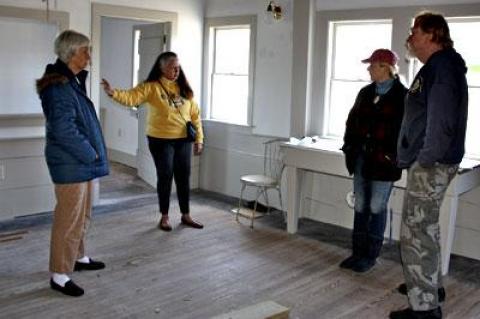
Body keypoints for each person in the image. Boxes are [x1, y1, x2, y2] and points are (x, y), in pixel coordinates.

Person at [389, 11, 468, 319]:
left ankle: (424, 309)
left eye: (415, 31)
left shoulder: (443, 68)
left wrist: (425, 158)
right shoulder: (437, 67)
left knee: (415, 231)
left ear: (432, 34)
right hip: (430, 161)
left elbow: (441, 120)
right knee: (426, 229)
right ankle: (428, 288)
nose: (411, 37)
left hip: (431, 163)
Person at [36, 30, 109, 297]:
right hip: (71, 163)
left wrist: (90, 156)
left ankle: (77, 257)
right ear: (71, 54)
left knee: (83, 214)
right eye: (85, 51)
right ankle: (59, 273)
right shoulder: (58, 87)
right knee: (68, 220)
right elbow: (64, 130)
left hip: (81, 163)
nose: (89, 56)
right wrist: (91, 153)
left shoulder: (72, 81)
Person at [101, 51, 204, 232]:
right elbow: (131, 97)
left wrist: (199, 139)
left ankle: (185, 214)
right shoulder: (151, 87)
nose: (177, 71)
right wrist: (113, 93)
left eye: (178, 67)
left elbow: (195, 116)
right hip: (161, 140)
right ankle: (164, 217)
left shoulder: (184, 88)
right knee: (165, 176)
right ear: (162, 67)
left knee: (183, 178)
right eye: (173, 67)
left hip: (183, 141)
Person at [340, 49, 407, 273]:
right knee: (360, 206)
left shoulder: (402, 96)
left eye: (372, 65)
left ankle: (370, 256)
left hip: (384, 163)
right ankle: (357, 252)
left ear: (385, 67)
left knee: (376, 207)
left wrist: (391, 155)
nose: (369, 68)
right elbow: (351, 121)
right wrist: (350, 145)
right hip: (361, 159)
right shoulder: (365, 92)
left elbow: (404, 132)